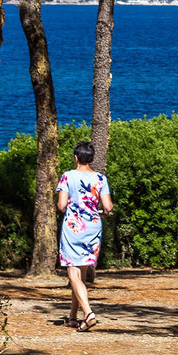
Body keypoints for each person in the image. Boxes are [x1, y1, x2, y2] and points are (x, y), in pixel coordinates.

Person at [57, 140, 113, 330]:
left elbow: (61, 205)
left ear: (76, 158)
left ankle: (88, 313)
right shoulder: (101, 178)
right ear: (92, 159)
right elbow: (108, 207)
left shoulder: (67, 176)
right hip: (93, 228)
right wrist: (102, 212)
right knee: (80, 274)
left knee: (73, 273)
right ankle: (73, 316)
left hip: (73, 227)